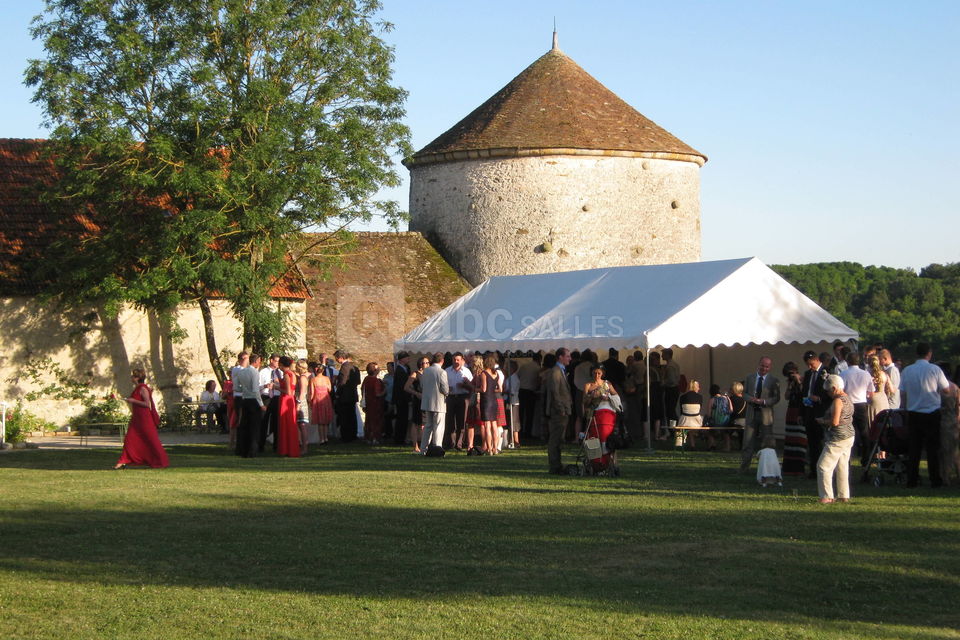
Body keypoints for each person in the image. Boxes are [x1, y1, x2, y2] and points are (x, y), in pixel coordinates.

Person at [899, 342, 953, 488]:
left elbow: (902, 393)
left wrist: (903, 408)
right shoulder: (935, 369)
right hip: (932, 412)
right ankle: (935, 479)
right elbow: (946, 390)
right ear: (929, 353)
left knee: (914, 448)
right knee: (932, 449)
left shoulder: (907, 371)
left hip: (914, 412)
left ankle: (912, 479)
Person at [115, 368, 169, 469]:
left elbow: (146, 404)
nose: (131, 378)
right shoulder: (137, 388)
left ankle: (160, 461)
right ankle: (123, 460)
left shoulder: (143, 388)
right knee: (130, 439)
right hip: (137, 418)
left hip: (145, 419)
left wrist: (133, 401)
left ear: (137, 378)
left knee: (151, 440)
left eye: (133, 376)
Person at [816, 374, 855, 504]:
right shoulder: (847, 398)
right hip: (849, 436)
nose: (827, 394)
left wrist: (822, 421)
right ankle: (843, 495)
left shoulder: (838, 401)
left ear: (834, 388)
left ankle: (827, 496)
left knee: (823, 466)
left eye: (828, 391)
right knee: (842, 466)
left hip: (838, 437)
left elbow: (835, 422)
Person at [740, 356, 780, 473]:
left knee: (767, 441)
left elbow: (776, 398)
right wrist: (751, 399)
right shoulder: (750, 377)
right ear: (758, 365)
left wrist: (764, 401)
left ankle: (767, 469)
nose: (764, 368)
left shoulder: (774, 380)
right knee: (747, 441)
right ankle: (744, 467)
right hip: (752, 413)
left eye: (767, 367)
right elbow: (744, 394)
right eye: (762, 366)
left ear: (770, 367)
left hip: (766, 415)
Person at [583, 364, 620, 467]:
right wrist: (592, 396)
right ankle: (595, 462)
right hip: (593, 414)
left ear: (603, 373)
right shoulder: (588, 385)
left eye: (599, 373)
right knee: (593, 438)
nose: (597, 375)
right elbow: (584, 401)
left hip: (607, 414)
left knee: (606, 437)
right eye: (595, 373)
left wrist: (608, 398)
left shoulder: (607, 384)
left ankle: (609, 462)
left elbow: (616, 396)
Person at [839, 352, 873, 465]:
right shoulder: (866, 374)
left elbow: (841, 391)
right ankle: (866, 458)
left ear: (848, 362)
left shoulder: (843, 374)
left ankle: (847, 458)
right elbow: (871, 392)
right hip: (861, 404)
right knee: (864, 432)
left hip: (848, 404)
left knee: (847, 432)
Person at [802, 350, 830, 478]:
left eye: (811, 364)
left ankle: (822, 469)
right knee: (812, 442)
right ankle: (813, 470)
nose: (810, 367)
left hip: (821, 411)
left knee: (820, 441)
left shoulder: (826, 372)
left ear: (817, 360)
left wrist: (819, 398)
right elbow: (804, 391)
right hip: (809, 410)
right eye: (807, 364)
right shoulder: (808, 374)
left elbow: (831, 393)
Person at [545, 347, 573, 474]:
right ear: (560, 357)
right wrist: (561, 408)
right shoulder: (556, 371)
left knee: (559, 439)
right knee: (555, 439)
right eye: (567, 356)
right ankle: (555, 466)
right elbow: (555, 392)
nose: (570, 358)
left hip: (563, 410)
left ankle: (557, 464)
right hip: (558, 411)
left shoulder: (561, 370)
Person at [235, 354, 266, 457]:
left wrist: (245, 389)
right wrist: (261, 404)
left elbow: (237, 388)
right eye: (259, 361)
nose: (260, 363)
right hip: (253, 401)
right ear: (256, 361)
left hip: (245, 400)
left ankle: (243, 449)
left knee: (245, 426)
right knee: (254, 427)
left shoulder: (241, 372)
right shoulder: (254, 372)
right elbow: (255, 390)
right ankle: (252, 450)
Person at [419, 352, 450, 452]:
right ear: (442, 361)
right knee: (438, 426)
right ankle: (437, 448)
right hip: (439, 403)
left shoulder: (426, 371)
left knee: (428, 426)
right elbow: (445, 389)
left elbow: (422, 386)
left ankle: (423, 448)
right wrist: (448, 391)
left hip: (427, 402)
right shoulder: (442, 372)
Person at [781, 361, 807, 477]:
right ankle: (789, 468)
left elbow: (804, 393)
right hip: (791, 411)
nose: (790, 376)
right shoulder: (790, 383)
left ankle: (799, 468)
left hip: (799, 410)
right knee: (790, 439)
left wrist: (799, 381)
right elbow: (786, 396)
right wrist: (790, 386)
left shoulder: (803, 379)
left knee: (800, 439)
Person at [444, 352, 473, 450]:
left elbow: (472, 387)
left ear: (462, 360)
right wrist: (447, 388)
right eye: (454, 359)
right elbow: (441, 385)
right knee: (450, 421)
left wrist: (464, 385)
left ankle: (459, 444)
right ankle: (451, 443)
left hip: (463, 397)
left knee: (462, 421)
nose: (456, 361)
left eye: (458, 360)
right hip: (450, 397)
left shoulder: (466, 371)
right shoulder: (447, 371)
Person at [937, 363, 960, 485]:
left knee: (944, 450)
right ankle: (957, 473)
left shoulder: (940, 389)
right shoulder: (955, 387)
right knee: (955, 450)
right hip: (954, 421)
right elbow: (958, 407)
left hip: (943, 420)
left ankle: (945, 477)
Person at [404, 356, 430, 452]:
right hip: (418, 401)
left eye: (427, 363)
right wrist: (416, 393)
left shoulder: (429, 373)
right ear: (420, 364)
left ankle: (424, 445)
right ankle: (415, 446)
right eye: (423, 363)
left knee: (425, 423)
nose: (425, 364)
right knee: (416, 423)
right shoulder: (416, 374)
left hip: (427, 401)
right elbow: (406, 387)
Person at [276, 356, 300, 458]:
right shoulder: (293, 374)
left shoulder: (286, 374)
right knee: (290, 424)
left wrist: (276, 387)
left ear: (281, 364)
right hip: (291, 401)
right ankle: (291, 449)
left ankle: (286, 449)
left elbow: (288, 391)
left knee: (286, 424)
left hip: (286, 400)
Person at [334, 350, 361, 443]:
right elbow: (358, 381)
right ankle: (353, 435)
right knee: (352, 416)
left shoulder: (344, 367)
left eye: (336, 358)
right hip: (352, 395)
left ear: (340, 358)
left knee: (344, 417)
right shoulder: (355, 367)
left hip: (344, 396)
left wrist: (337, 393)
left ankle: (346, 436)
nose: (336, 360)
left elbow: (342, 383)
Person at [478, 354, 502, 455]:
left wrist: (474, 389)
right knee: (494, 425)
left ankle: (489, 449)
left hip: (486, 400)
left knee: (487, 425)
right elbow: (500, 389)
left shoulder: (484, 373)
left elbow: (483, 389)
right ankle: (495, 448)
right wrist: (492, 390)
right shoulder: (496, 373)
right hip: (494, 400)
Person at [517, 353, 541, 439]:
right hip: (531, 391)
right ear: (539, 360)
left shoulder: (524, 366)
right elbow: (539, 380)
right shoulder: (538, 368)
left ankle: (519, 431)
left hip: (521, 390)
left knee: (521, 413)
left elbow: (518, 376)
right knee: (529, 413)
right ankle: (528, 432)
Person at [361, 362, 386, 445]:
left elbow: (362, 390)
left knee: (368, 420)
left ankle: (368, 437)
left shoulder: (366, 379)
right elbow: (377, 394)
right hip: (376, 404)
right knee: (376, 421)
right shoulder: (375, 381)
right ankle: (375, 438)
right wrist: (385, 390)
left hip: (368, 403)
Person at [309, 361, 334, 445]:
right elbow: (330, 389)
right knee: (325, 421)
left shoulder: (313, 379)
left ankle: (321, 439)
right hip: (325, 399)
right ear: (323, 370)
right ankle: (326, 438)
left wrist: (310, 401)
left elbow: (312, 393)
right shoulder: (327, 379)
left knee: (320, 421)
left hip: (317, 399)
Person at [676, 379, 703, 450]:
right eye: (698, 386)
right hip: (696, 422)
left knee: (681, 425)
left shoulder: (682, 397)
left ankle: (679, 444)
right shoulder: (700, 397)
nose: (699, 388)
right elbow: (699, 410)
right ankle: (692, 445)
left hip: (685, 421)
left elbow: (681, 411)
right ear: (695, 387)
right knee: (691, 426)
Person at [865, 354, 891, 426]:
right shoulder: (884, 374)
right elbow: (890, 389)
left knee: (874, 425)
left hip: (872, 400)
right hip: (883, 399)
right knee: (884, 423)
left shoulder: (868, 374)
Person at [705, 383, 732, 451]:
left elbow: (708, 414)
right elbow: (731, 410)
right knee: (726, 432)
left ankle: (712, 445)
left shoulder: (712, 400)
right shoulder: (726, 398)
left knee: (709, 430)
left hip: (715, 422)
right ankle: (727, 447)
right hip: (726, 422)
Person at [392, 351, 411, 446]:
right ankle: (399, 439)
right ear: (402, 359)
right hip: (401, 398)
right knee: (401, 419)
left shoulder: (406, 368)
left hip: (405, 398)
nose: (408, 359)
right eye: (407, 358)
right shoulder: (399, 370)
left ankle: (402, 438)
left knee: (404, 419)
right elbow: (400, 386)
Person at [294, 359, 311, 455]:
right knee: (300, 425)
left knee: (302, 425)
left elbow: (302, 393)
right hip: (300, 401)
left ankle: (305, 447)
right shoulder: (302, 377)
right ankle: (302, 445)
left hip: (301, 402)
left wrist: (298, 404)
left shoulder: (303, 378)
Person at [662, 348, 681, 426]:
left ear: (667, 355)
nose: (661, 356)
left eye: (663, 354)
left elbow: (671, 380)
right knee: (671, 410)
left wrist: (663, 382)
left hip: (671, 389)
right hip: (674, 389)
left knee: (670, 410)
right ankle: (674, 428)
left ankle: (674, 429)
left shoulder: (670, 366)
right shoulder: (674, 364)